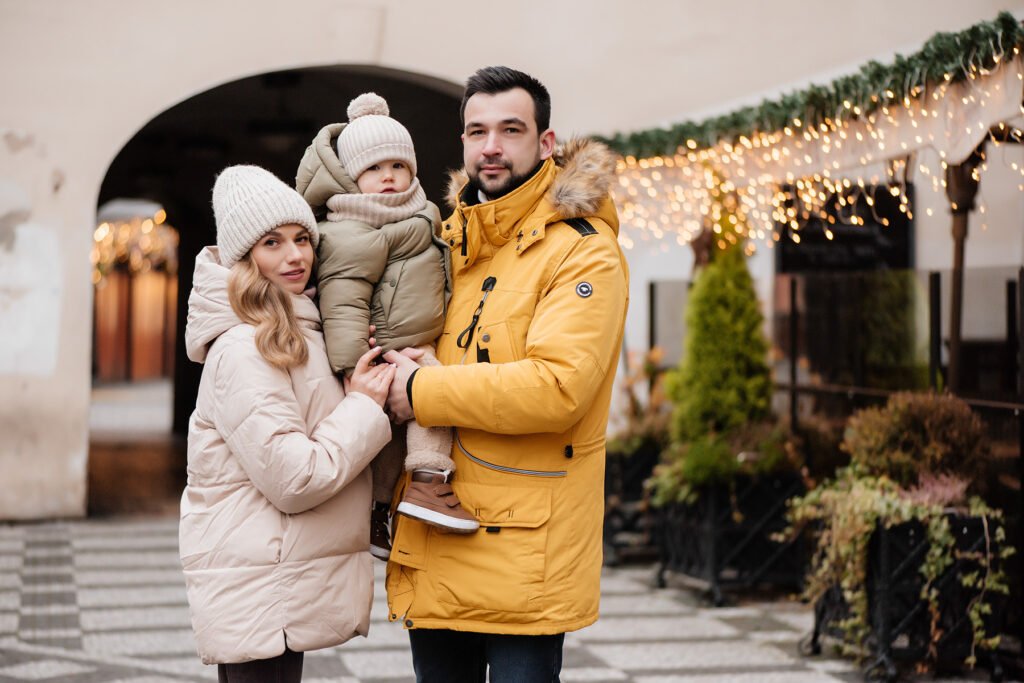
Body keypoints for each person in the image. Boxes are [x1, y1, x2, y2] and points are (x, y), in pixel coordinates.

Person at [383, 66, 630, 682]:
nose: (490, 147)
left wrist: (419, 391)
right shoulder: (449, 245)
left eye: (510, 129)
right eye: (476, 132)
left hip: (524, 556)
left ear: (546, 143)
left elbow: (557, 389)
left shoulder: (583, 251)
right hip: (438, 533)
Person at [178, 164, 395, 682]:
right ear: (242, 257)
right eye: (272, 242)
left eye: (302, 238)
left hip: (273, 577)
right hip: (258, 585)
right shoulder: (243, 347)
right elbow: (294, 477)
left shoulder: (293, 329)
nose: (295, 256)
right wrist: (363, 406)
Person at [295, 93, 478, 563]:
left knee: (388, 441)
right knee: (430, 404)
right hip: (389, 352)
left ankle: (380, 514)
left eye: (399, 165)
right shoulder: (349, 231)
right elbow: (342, 301)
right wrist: (353, 365)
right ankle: (428, 483)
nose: (390, 176)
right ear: (353, 176)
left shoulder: (422, 218)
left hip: (413, 338)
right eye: (376, 169)